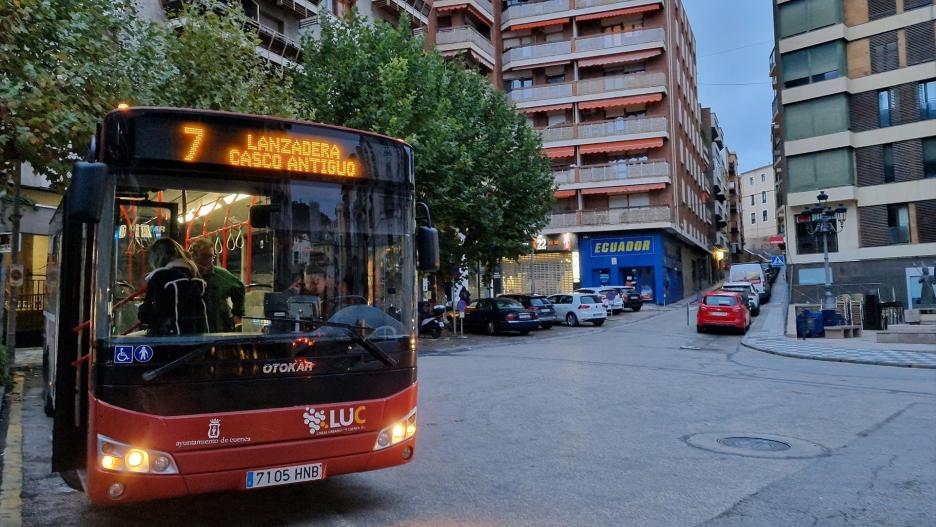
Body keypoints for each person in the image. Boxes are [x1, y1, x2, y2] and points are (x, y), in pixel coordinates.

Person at [138, 238, 208, 336]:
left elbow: (147, 314)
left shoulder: (160, 276)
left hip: (167, 339)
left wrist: (140, 308)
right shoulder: (194, 275)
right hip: (195, 337)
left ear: (157, 257)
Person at [189, 238, 246, 332]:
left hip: (218, 326)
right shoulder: (186, 275)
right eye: (204, 256)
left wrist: (237, 314)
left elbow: (239, 287)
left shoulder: (221, 275)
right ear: (193, 255)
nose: (208, 260)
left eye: (211, 256)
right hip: (193, 326)